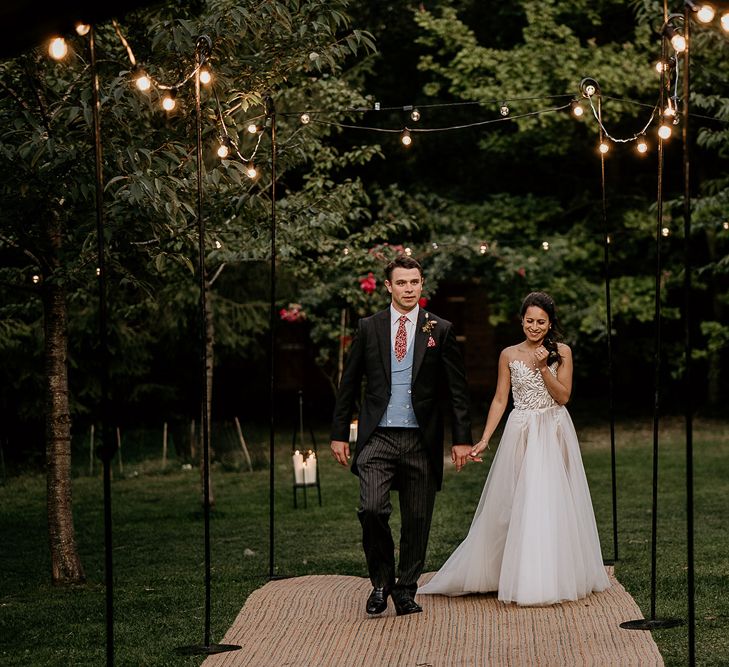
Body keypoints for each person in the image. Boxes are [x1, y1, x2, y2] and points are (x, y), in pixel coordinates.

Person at [419, 291, 610, 605]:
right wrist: (484, 438)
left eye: (541, 322)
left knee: (553, 498)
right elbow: (499, 399)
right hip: (521, 429)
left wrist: (544, 368)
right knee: (519, 498)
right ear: (522, 320)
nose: (534, 327)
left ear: (550, 325)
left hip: (553, 428)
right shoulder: (508, 354)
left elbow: (563, 397)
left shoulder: (562, 351)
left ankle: (553, 573)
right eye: (529, 321)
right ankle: (514, 569)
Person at [330, 256, 473, 616]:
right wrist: (338, 434)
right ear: (388, 286)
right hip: (377, 436)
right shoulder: (369, 327)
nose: (409, 288)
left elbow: (457, 389)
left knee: (417, 518)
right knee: (372, 508)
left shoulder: (439, 329)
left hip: (420, 440)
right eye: (402, 283)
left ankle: (406, 589)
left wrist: (461, 439)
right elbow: (349, 383)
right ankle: (381, 582)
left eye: (415, 282)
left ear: (422, 284)